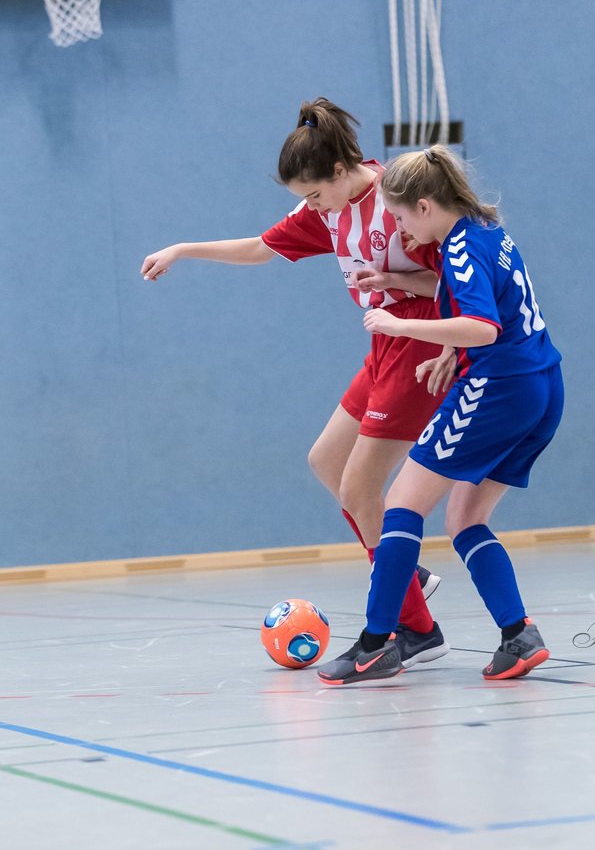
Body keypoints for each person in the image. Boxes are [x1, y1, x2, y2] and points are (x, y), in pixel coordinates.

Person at [140, 98, 450, 668]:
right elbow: (261, 248)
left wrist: (401, 284)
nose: (311, 209)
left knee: (360, 489)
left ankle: (408, 628)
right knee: (326, 461)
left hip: (424, 342)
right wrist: (183, 249)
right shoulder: (328, 210)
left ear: (339, 171)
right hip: (383, 341)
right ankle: (406, 576)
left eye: (312, 194)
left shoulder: (397, 197)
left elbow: (459, 279)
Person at [316, 145, 565, 686]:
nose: (400, 230)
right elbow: (484, 307)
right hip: (544, 385)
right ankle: (518, 635)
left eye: (401, 217)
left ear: (425, 206)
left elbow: (483, 328)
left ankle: (377, 644)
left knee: (402, 505)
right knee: (465, 521)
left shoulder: (456, 249)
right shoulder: (487, 231)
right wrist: (413, 304)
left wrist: (400, 326)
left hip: (499, 387)